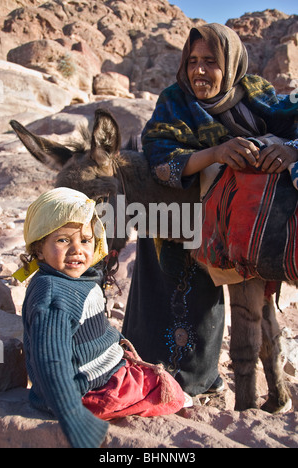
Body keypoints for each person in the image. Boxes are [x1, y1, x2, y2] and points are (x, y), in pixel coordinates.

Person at [123, 23, 297, 395]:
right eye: (192, 61)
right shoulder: (174, 100)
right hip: (176, 220)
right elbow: (158, 157)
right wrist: (215, 153)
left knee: (248, 308)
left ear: (231, 64)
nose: (199, 71)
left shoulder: (257, 94)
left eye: (211, 61)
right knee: (169, 305)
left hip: (248, 226)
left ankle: (216, 383)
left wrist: (290, 149)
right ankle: (155, 381)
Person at [14, 187, 189, 449]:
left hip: (98, 374)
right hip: (87, 394)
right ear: (39, 248)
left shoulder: (74, 279)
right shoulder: (52, 296)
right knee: (166, 389)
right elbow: (51, 361)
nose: (77, 250)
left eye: (85, 241)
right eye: (63, 241)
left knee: (156, 377)